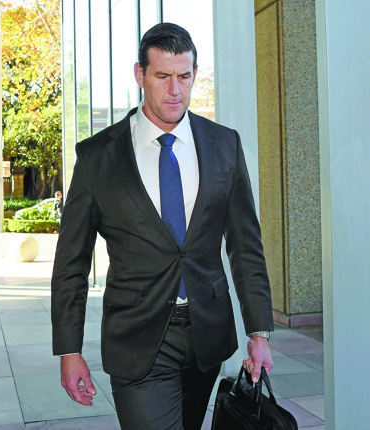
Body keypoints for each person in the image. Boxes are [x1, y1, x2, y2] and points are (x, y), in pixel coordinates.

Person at [51, 22, 274, 430]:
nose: (175, 90)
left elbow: (246, 246)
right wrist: (69, 350)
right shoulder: (98, 157)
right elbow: (71, 263)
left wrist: (259, 332)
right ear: (140, 75)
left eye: (184, 77)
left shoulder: (224, 144)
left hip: (208, 335)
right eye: (162, 76)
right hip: (137, 339)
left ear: (194, 74)